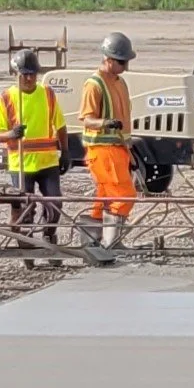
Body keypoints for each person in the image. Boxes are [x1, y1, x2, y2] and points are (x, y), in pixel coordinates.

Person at [0, 49, 68, 262]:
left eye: (32, 74)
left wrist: (66, 151)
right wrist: (12, 134)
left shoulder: (47, 94)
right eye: (24, 74)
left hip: (47, 162)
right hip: (21, 163)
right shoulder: (6, 98)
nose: (28, 78)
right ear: (16, 74)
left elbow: (60, 125)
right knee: (26, 207)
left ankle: (49, 237)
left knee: (55, 203)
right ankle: (27, 248)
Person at [79, 32, 138, 247]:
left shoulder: (120, 83)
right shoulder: (94, 85)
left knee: (104, 197)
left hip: (118, 149)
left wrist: (129, 151)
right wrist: (106, 123)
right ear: (108, 59)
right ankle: (110, 243)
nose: (126, 66)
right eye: (122, 62)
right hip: (102, 150)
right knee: (125, 195)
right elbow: (86, 119)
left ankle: (92, 240)